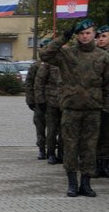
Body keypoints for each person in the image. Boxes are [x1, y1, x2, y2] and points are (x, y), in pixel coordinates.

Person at [40, 19, 109, 197]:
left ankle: (86, 183)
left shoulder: (103, 57)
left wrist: (106, 109)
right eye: (81, 33)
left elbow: (107, 85)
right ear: (77, 36)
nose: (85, 36)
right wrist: (64, 37)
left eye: (88, 33)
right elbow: (45, 55)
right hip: (71, 108)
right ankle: (72, 183)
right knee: (70, 145)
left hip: (93, 109)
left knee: (90, 147)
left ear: (94, 34)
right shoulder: (67, 54)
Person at [33, 39, 63, 165]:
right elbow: (38, 83)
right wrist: (39, 101)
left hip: (66, 101)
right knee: (51, 129)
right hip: (51, 101)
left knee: (65, 130)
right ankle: (50, 152)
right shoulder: (47, 64)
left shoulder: (68, 62)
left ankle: (62, 153)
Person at [24, 53, 47, 160]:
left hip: (56, 101)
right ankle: (42, 149)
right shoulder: (36, 66)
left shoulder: (59, 63)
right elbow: (29, 83)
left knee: (56, 128)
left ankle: (56, 151)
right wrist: (30, 100)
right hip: (39, 101)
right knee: (40, 126)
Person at [95, 25, 109, 177]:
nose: (100, 39)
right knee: (97, 136)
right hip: (96, 103)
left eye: (104, 36)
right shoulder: (95, 55)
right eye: (99, 36)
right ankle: (98, 164)